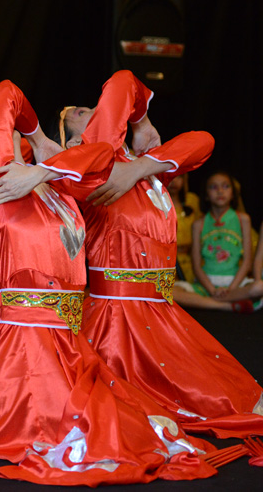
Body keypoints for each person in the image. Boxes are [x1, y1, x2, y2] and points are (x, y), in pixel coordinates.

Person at [0, 79, 215, 486]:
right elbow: (5, 94)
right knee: (95, 432)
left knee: (134, 422)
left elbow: (101, 152)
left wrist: (41, 159)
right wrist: (35, 142)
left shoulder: (51, 186)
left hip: (69, 344)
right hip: (30, 350)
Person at [56, 70, 263, 437]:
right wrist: (138, 119)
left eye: (92, 107)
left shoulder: (145, 173)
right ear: (72, 142)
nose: (91, 109)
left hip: (162, 312)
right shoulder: (87, 172)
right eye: (79, 113)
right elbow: (121, 82)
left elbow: (204, 140)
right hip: (119, 322)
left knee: (215, 393)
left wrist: (140, 160)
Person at [173, 171, 261, 311]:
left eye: (225, 186)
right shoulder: (199, 224)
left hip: (236, 284)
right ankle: (226, 306)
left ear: (233, 193)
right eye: (213, 187)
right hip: (206, 284)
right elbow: (196, 265)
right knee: (170, 292)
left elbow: (247, 261)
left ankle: (210, 302)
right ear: (206, 195)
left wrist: (231, 289)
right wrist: (213, 290)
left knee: (258, 287)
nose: (220, 191)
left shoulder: (243, 219)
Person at [167, 174, 201, 282]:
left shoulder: (191, 200)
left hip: (191, 261)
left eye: (179, 177)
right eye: (170, 176)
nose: (174, 181)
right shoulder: (155, 200)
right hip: (167, 260)